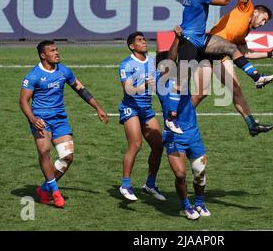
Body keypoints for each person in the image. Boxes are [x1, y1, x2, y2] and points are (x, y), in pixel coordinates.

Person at [166, 0, 273, 134]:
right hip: (194, 41)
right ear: (255, 12)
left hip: (207, 43)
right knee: (193, 87)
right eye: (264, 19)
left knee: (232, 62)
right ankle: (174, 118)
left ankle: (255, 90)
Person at [190, 0, 273, 137]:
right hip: (207, 48)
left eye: (265, 23)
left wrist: (268, 54)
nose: (263, 24)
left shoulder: (244, 32)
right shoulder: (246, 8)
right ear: (255, 12)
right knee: (201, 93)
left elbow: (245, 53)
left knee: (235, 89)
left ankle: (252, 125)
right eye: (263, 19)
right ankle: (177, 119)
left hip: (222, 54)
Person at [19, 40, 109, 208]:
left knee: (67, 157)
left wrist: (98, 107)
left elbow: (80, 89)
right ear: (43, 55)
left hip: (60, 120)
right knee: (44, 151)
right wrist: (32, 119)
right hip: (41, 121)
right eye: (52, 51)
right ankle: (55, 191)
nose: (57, 53)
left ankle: (44, 188)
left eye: (57, 49)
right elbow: (23, 101)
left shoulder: (64, 71)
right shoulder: (33, 75)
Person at [156, 55, 211, 220]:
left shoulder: (181, 79)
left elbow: (198, 92)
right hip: (174, 136)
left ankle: (199, 202)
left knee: (199, 173)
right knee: (180, 174)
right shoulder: (161, 84)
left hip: (193, 134)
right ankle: (187, 205)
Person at [118, 32, 166, 202]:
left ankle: (150, 185)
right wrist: (146, 83)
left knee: (159, 146)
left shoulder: (152, 61)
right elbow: (128, 90)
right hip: (130, 108)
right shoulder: (126, 64)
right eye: (140, 40)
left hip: (146, 109)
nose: (144, 42)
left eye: (144, 39)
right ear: (132, 46)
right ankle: (125, 185)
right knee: (135, 144)